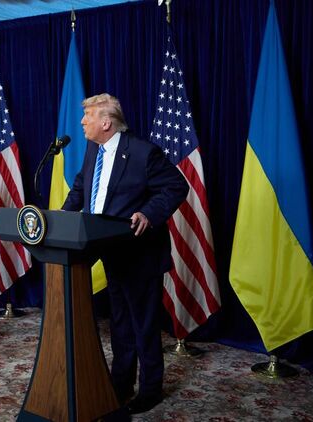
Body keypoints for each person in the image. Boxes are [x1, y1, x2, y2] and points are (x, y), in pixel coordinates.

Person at [61, 94, 189, 414]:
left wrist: (148, 213)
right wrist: (62, 216)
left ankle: (150, 390)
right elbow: (82, 186)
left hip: (141, 254)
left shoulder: (143, 152)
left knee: (143, 325)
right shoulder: (94, 150)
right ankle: (121, 384)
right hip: (110, 251)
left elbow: (176, 186)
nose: (82, 121)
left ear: (106, 123)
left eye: (88, 116)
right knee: (120, 322)